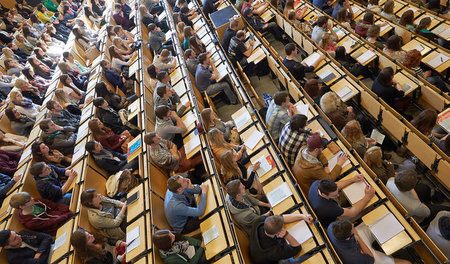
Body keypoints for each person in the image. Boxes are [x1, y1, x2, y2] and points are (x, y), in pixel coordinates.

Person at [386, 169, 450, 226]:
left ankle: (429, 203)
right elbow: (427, 213)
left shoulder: (390, 181)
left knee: (425, 188)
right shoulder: (415, 207)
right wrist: (420, 204)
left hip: (403, 201)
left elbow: (411, 190)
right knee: (445, 209)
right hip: (417, 218)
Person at [308, 177, 375, 227]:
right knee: (369, 206)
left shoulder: (317, 184)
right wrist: (368, 196)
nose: (338, 195)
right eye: (334, 195)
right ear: (324, 194)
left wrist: (352, 179)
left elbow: (336, 185)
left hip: (326, 207)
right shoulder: (328, 208)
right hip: (333, 222)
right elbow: (352, 213)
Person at [249, 214, 313, 263]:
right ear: (277, 233)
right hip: (271, 261)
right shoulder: (273, 252)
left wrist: (302, 216)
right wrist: (286, 234)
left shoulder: (259, 221)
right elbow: (297, 249)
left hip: (257, 251)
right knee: (305, 255)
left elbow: (282, 218)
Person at [9, 192, 74, 235]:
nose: (33, 198)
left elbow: (54, 205)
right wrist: (68, 214)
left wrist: (68, 209)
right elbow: (52, 222)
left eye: (30, 197)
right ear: (22, 206)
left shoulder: (35, 201)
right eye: (29, 200)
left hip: (59, 214)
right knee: (74, 218)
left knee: (69, 197)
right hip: (55, 226)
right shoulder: (30, 222)